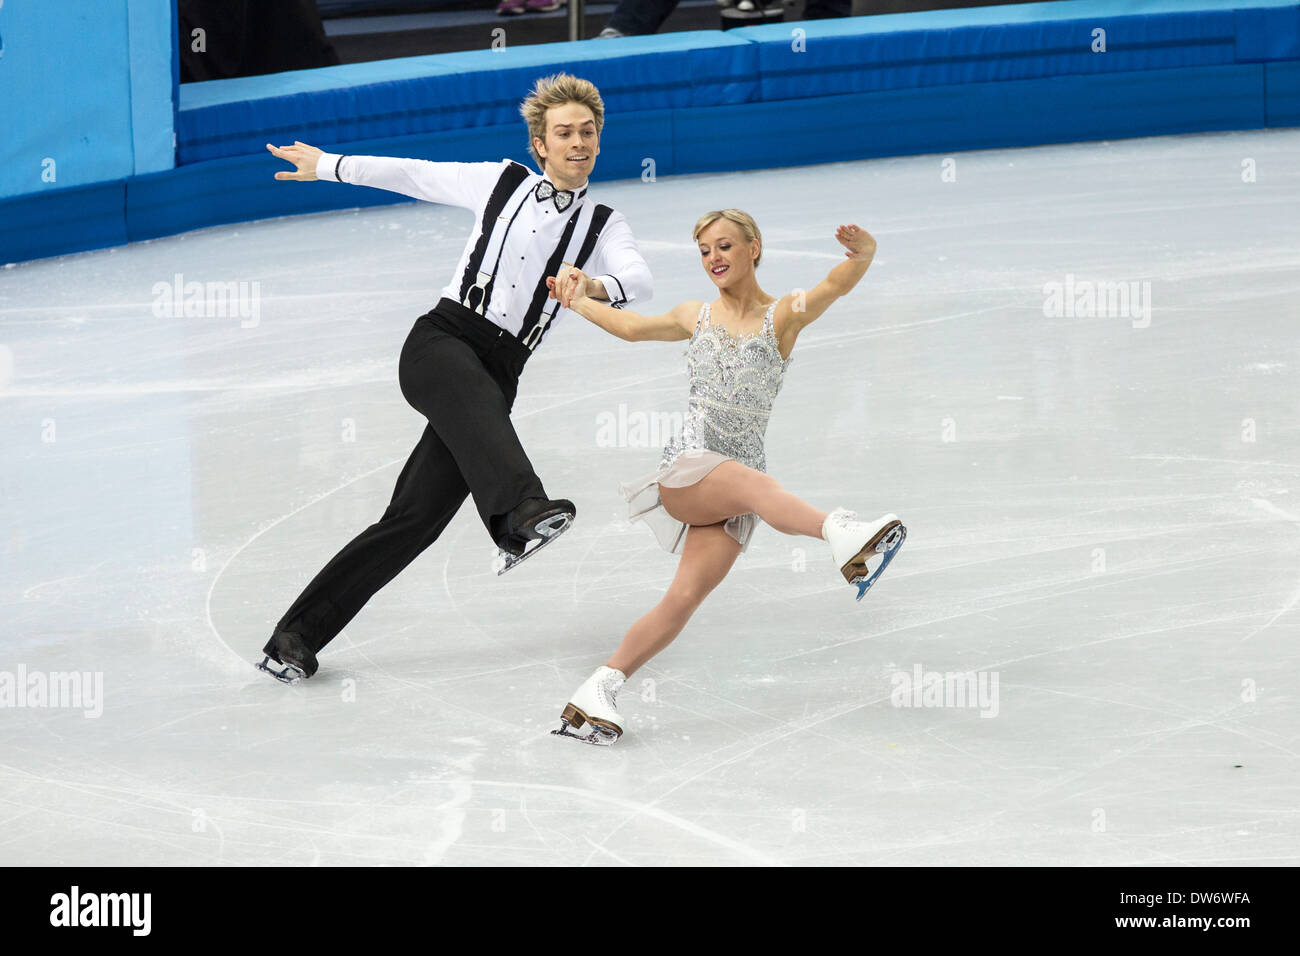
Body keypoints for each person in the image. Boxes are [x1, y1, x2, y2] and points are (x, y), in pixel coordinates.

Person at [256, 74, 652, 683]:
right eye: (564, 133)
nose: (578, 143)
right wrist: (329, 164)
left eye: (588, 132)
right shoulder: (501, 182)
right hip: (442, 343)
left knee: (413, 519)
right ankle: (519, 515)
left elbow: (639, 280)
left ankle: (294, 638)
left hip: (499, 373)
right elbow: (413, 173)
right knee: (474, 407)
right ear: (540, 144)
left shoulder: (605, 224)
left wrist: (595, 285)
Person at [545, 210, 905, 744]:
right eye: (705, 251)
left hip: (735, 485)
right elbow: (632, 327)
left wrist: (864, 256)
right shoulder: (696, 316)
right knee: (760, 490)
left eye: (725, 246)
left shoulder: (783, 316)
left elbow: (833, 286)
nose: (714, 258)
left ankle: (597, 690)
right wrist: (577, 298)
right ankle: (841, 533)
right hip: (689, 468)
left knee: (684, 597)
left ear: (753, 248)